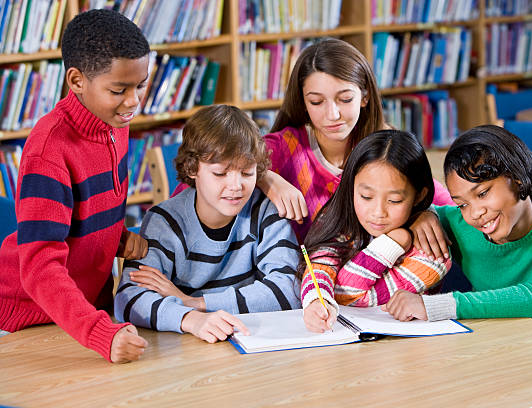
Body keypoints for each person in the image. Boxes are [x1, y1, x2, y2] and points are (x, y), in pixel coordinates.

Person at [389, 125, 532, 408]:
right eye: (462, 204)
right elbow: (392, 215)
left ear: (518, 178)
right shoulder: (459, 224)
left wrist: (431, 307)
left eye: (482, 194)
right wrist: (421, 215)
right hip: (494, 354)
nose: (474, 214)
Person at [172, 38, 455, 244]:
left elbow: (449, 206)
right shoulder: (282, 147)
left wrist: (427, 213)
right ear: (303, 103)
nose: (332, 115)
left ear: (365, 97)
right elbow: (191, 192)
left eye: (345, 99)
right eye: (316, 101)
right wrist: (264, 176)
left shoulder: (385, 148)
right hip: (296, 291)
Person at [0, 9, 150, 363]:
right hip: (28, 319)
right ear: (77, 80)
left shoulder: (115, 122)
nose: (133, 101)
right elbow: (39, 266)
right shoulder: (49, 149)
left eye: (140, 85)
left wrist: (115, 236)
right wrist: (98, 331)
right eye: (119, 89)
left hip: (84, 310)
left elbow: (85, 212)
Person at [114, 105, 302, 343]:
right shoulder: (165, 221)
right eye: (220, 174)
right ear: (193, 169)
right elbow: (128, 301)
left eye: (247, 173)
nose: (236, 186)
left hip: (250, 343)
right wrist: (190, 318)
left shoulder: (265, 210)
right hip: (186, 348)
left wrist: (194, 302)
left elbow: (289, 290)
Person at [299, 129, 451, 332]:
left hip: (407, 349)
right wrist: (316, 302)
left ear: (418, 195)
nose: (378, 212)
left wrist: (394, 242)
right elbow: (320, 266)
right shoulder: (341, 221)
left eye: (394, 200)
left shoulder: (432, 252)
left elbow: (348, 294)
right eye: (366, 197)